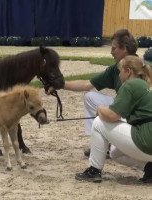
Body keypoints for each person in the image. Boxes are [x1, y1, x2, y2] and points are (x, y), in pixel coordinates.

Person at [54, 29, 138, 157]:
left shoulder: (141, 68)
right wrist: (59, 85)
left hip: (137, 116)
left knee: (118, 153)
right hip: (123, 108)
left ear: (125, 49)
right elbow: (87, 84)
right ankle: (98, 143)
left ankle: (112, 143)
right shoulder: (115, 69)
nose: (111, 52)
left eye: (114, 48)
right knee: (90, 96)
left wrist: (107, 113)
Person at [74, 55, 152, 183]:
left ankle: (94, 170)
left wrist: (99, 109)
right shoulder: (143, 84)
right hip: (148, 137)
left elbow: (111, 116)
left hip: (147, 139)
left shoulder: (130, 84)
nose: (119, 74)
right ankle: (150, 169)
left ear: (128, 72)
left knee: (99, 122)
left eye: (120, 70)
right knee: (115, 153)